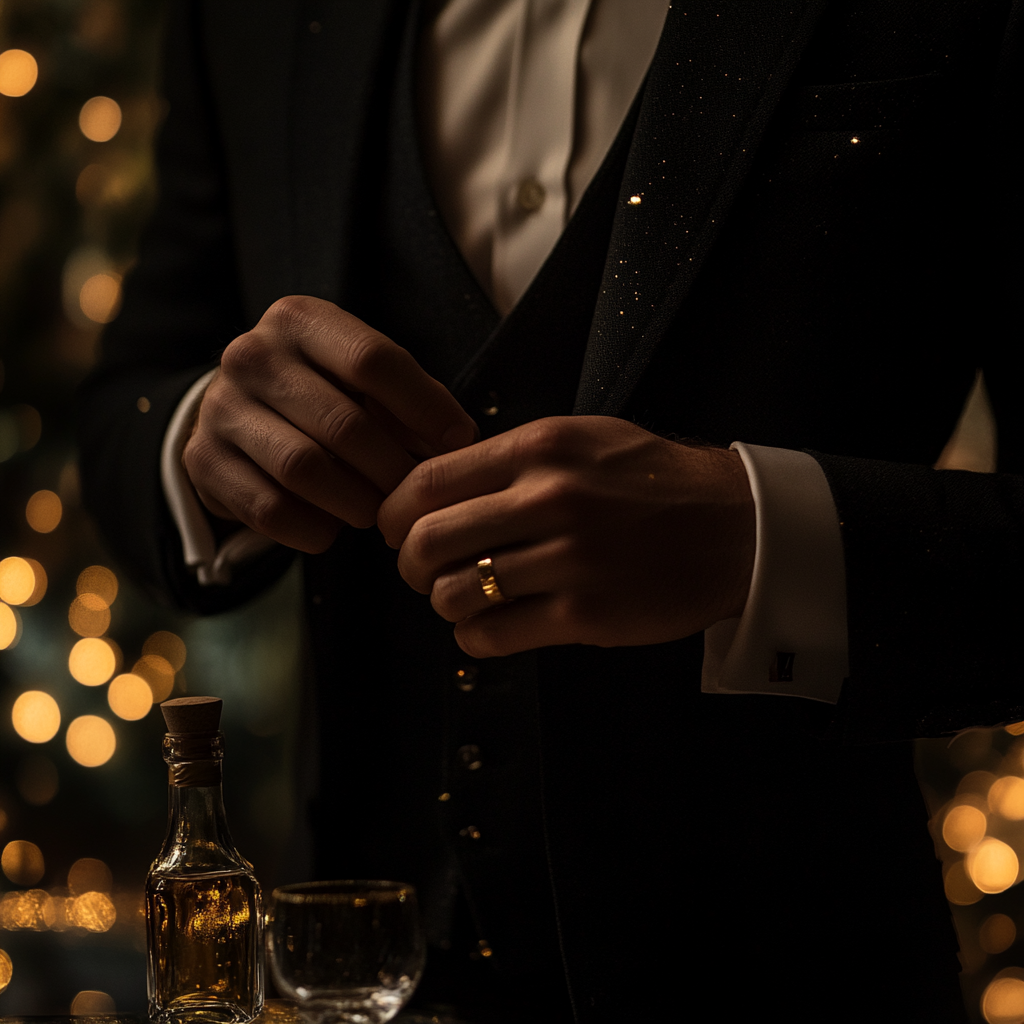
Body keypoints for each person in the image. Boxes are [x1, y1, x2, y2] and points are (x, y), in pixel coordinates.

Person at [77, 1, 1021, 1021]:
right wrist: (201, 439)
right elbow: (130, 396)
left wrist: (757, 539)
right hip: (343, 980)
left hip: (790, 973)